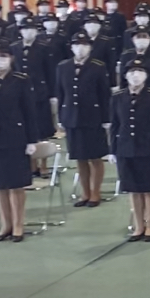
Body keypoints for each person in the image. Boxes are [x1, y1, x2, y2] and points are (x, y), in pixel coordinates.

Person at [0, 44, 38, 242]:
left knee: (15, 185)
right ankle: (5, 225)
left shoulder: (21, 80)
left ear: (11, 59)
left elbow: (29, 112)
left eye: (3, 57)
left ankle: (18, 225)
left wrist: (31, 140)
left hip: (15, 138)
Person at [110, 58, 150, 241]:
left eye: (140, 72)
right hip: (125, 148)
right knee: (133, 189)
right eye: (131, 72)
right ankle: (138, 225)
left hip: (148, 147)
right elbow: (115, 125)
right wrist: (113, 149)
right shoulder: (118, 97)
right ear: (125, 75)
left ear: (146, 76)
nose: (135, 76)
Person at [56, 32, 112, 207]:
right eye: (77, 44)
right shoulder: (63, 67)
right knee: (80, 157)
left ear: (90, 47)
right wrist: (60, 117)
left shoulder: (98, 66)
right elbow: (60, 94)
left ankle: (96, 192)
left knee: (95, 157)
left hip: (93, 117)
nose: (80, 48)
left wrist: (106, 118)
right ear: (71, 47)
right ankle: (85, 192)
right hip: (72, 117)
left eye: (84, 45)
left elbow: (104, 95)